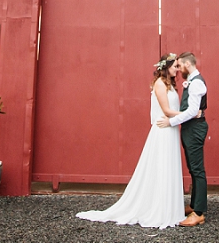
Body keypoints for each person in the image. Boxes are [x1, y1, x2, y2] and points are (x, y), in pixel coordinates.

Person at [76, 53, 186, 229]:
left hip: (171, 129)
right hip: (163, 130)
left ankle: (170, 208)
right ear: (166, 67)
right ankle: (160, 209)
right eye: (175, 67)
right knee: (162, 166)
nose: (177, 69)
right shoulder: (160, 84)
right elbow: (166, 110)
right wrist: (189, 114)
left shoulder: (171, 85)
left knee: (169, 166)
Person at [156, 51, 208, 227]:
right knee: (193, 168)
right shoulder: (191, 81)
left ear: (187, 64)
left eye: (179, 65)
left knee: (197, 170)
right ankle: (194, 205)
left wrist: (171, 121)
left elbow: (192, 111)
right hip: (189, 129)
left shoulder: (196, 83)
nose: (178, 69)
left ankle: (198, 213)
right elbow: (192, 111)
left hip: (194, 129)